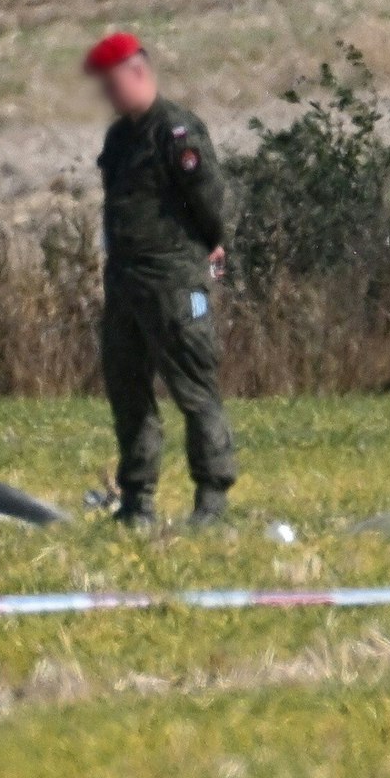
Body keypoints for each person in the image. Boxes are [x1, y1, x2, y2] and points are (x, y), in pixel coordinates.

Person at [87, 32, 238, 527]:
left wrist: (208, 244)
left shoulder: (176, 131)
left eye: (111, 85)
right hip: (126, 284)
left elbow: (210, 199)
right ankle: (137, 501)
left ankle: (211, 499)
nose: (106, 96)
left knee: (194, 389)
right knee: (128, 392)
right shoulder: (119, 138)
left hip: (174, 281)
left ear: (137, 73)